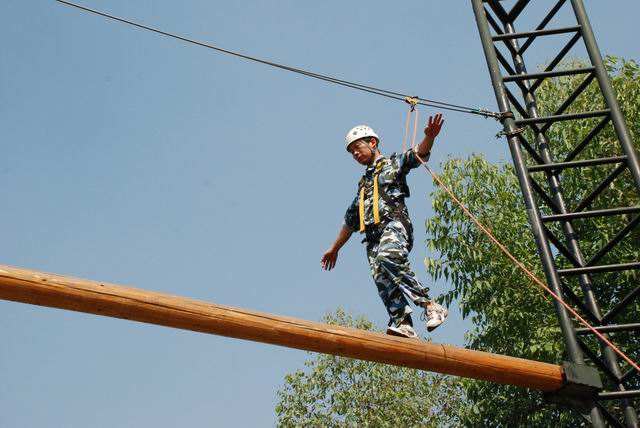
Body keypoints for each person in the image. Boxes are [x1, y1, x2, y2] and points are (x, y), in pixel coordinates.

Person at [321, 114, 448, 339]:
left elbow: (417, 154)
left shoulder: (391, 164)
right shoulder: (363, 187)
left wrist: (430, 137)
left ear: (372, 143)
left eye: (357, 148)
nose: (355, 154)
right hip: (372, 237)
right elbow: (349, 222)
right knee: (381, 275)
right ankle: (402, 322)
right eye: (351, 153)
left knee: (388, 256)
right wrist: (335, 248)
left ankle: (430, 305)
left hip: (394, 225)